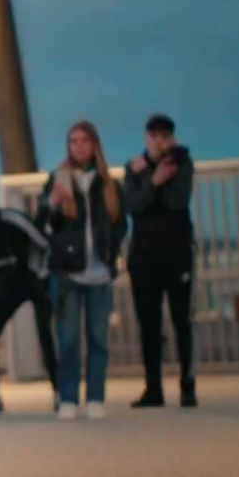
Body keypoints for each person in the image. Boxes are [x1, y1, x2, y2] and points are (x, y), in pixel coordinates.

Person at [40, 120, 127, 420]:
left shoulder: (109, 184)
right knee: (68, 339)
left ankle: (95, 397)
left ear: (95, 145)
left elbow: (120, 224)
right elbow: (43, 226)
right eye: (73, 141)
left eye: (84, 140)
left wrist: (110, 253)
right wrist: (51, 203)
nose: (78, 146)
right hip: (67, 274)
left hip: (100, 272)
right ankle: (67, 398)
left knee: (98, 338)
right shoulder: (59, 179)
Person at [123, 114, 198, 408]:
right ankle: (153, 388)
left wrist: (158, 178)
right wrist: (153, 179)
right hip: (143, 254)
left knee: (182, 320)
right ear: (146, 138)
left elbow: (177, 201)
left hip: (177, 251)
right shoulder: (134, 168)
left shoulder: (183, 162)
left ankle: (187, 385)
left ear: (173, 138)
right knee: (148, 323)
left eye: (165, 135)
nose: (160, 140)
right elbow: (133, 206)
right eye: (155, 135)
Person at [0, 183, 57, 411]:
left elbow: (44, 242)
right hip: (1, 288)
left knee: (45, 333)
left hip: (30, 279)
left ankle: (59, 390)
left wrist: (43, 274)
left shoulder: (13, 219)